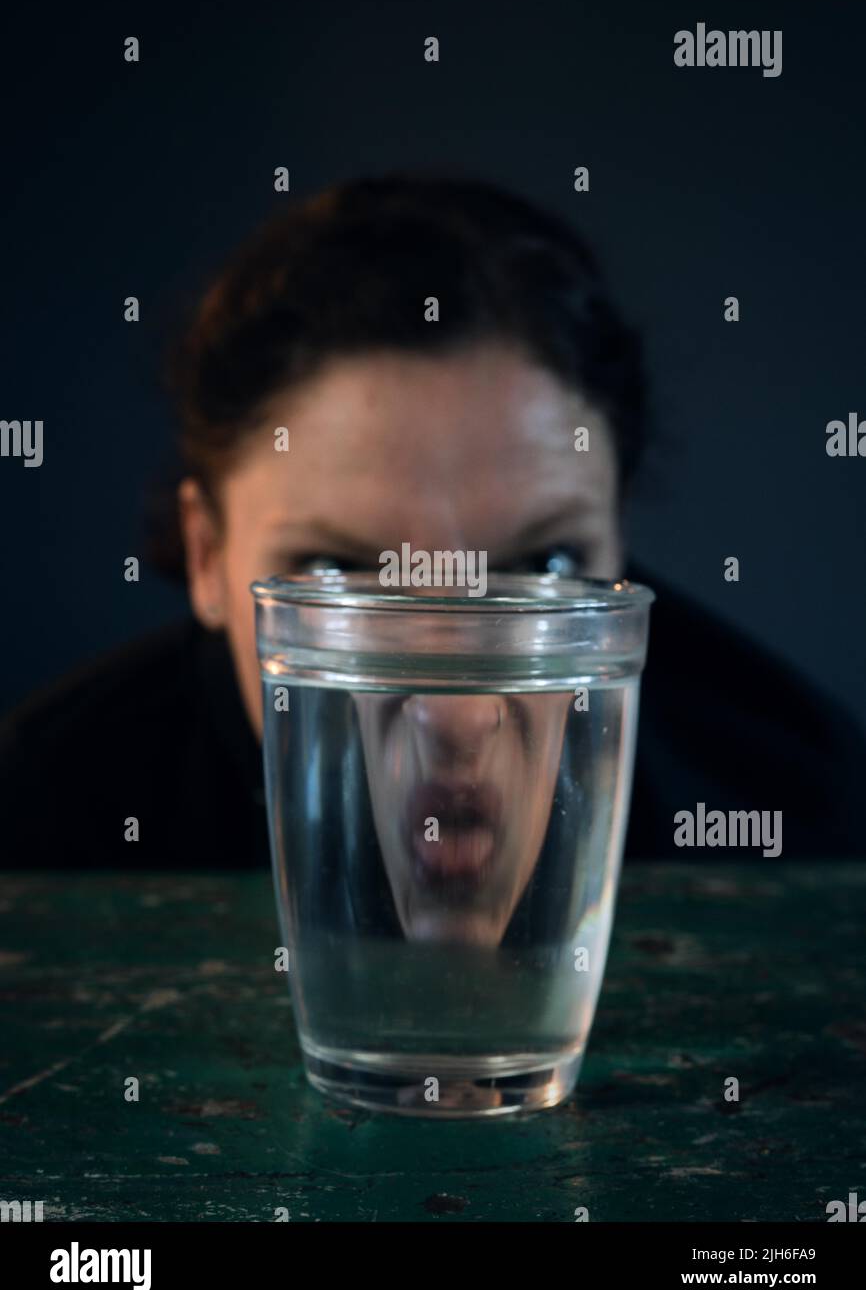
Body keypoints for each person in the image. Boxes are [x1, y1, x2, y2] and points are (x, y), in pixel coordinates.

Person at [1, 172, 863, 870]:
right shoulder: (36, 832)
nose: (459, 717)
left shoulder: (809, 821)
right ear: (205, 555)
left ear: (619, 537)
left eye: (549, 565)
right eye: (340, 574)